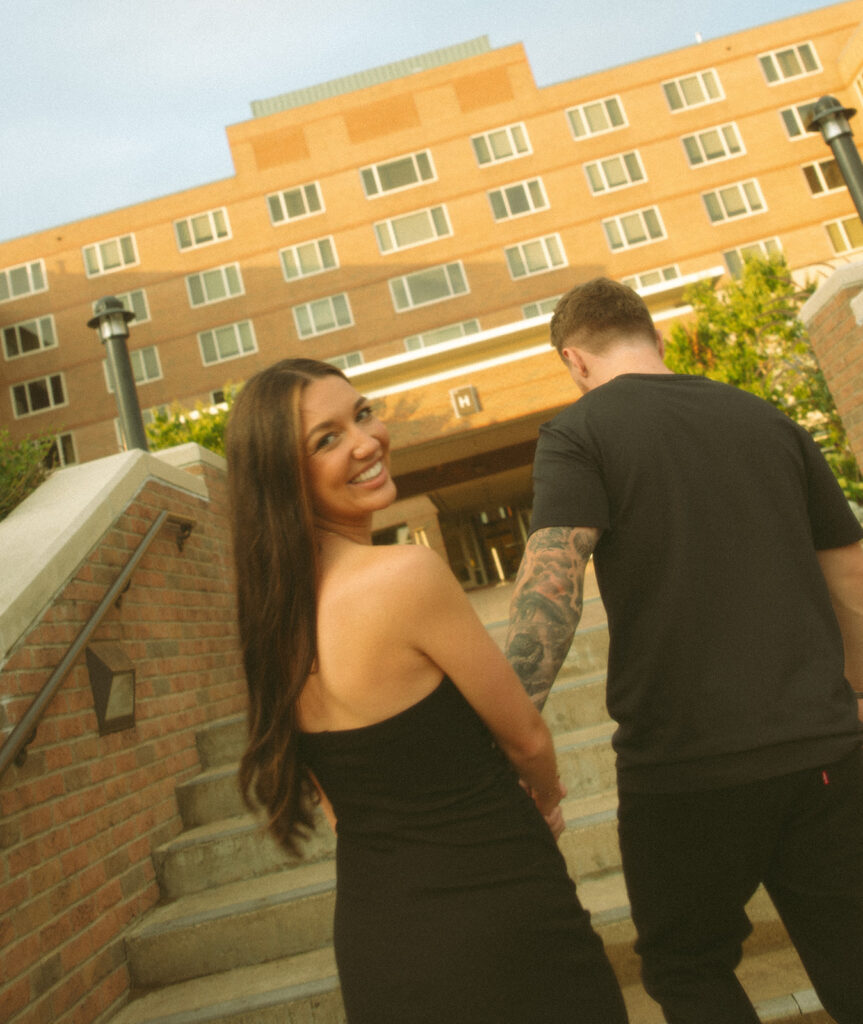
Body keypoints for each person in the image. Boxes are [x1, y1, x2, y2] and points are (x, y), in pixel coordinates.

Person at [225, 357, 629, 1024]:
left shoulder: (271, 624)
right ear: (281, 476)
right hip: (498, 920)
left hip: (379, 943)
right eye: (326, 439)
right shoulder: (403, 575)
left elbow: (335, 809)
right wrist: (548, 799)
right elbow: (524, 735)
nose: (365, 441)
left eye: (360, 414)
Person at [505, 277, 863, 1024]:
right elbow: (852, 573)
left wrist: (507, 732)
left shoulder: (578, 432)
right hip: (822, 751)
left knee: (686, 965)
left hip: (684, 768)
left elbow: (553, 587)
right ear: (652, 335)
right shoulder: (764, 419)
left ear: (574, 359)